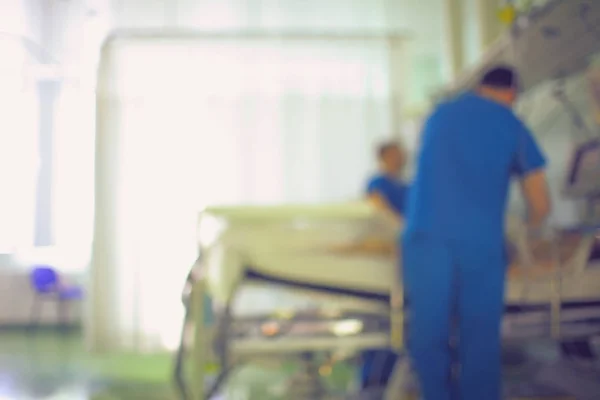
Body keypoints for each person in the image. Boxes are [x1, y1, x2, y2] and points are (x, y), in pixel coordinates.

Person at [402, 65, 551, 400]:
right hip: (479, 244)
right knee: (479, 336)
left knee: (428, 332)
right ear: (512, 94)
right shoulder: (511, 124)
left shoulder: (439, 115)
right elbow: (539, 200)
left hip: (426, 239)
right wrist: (530, 230)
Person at [359, 141, 410, 391]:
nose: (402, 157)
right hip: (385, 262)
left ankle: (387, 384)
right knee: (382, 329)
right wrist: (406, 231)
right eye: (397, 154)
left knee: (399, 332)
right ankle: (373, 385)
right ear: (384, 157)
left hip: (407, 258)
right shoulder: (378, 184)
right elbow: (378, 211)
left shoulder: (406, 186)